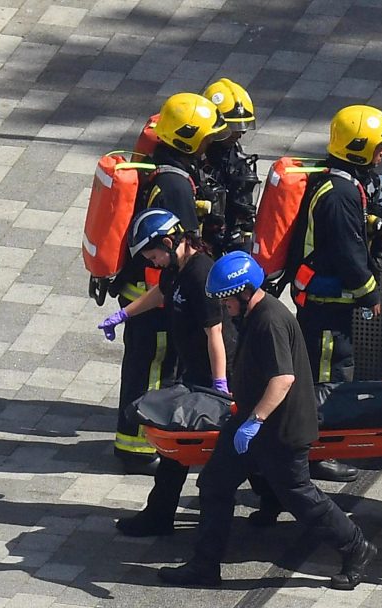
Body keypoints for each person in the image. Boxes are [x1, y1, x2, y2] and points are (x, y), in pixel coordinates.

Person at [158, 252, 376, 590]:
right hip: (251, 420)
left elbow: (283, 379)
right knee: (215, 484)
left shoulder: (269, 320)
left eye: (226, 300)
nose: (223, 307)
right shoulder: (254, 314)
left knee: (299, 494)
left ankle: (356, 547)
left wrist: (255, 420)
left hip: (279, 428)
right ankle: (205, 565)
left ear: (244, 292)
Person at [108, 92, 229, 475]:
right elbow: (182, 247)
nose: (211, 146)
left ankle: (138, 441)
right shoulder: (176, 185)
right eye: (207, 139)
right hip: (156, 293)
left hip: (147, 289)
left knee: (148, 367)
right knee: (156, 369)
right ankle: (138, 447)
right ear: (190, 139)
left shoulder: (165, 169)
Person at [99, 209, 234, 537]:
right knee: (177, 450)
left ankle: (262, 503)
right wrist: (122, 315)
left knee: (224, 452)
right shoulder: (177, 267)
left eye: (153, 254)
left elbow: (215, 333)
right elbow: (159, 293)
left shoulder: (200, 274)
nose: (153, 262)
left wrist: (220, 385)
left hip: (216, 374)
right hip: (194, 372)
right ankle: (159, 515)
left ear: (170, 242)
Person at [287, 104, 382, 484]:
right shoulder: (339, 194)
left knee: (334, 372)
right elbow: (348, 254)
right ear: (357, 149)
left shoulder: (344, 184)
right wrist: (370, 295)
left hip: (329, 303)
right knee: (326, 378)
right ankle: (318, 453)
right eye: (379, 146)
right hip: (324, 305)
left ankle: (325, 445)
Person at [200, 78, 261, 255]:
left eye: (243, 126)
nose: (241, 133)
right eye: (234, 127)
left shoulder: (230, 150)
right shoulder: (196, 156)